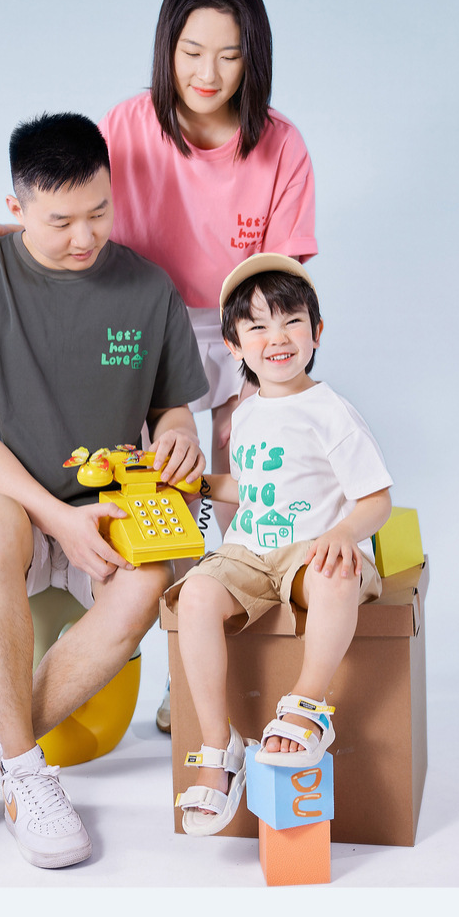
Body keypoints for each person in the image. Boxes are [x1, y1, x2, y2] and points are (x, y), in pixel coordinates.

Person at [0, 112, 208, 868]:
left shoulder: (147, 287)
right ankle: (32, 776)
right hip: (11, 499)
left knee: (148, 577)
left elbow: (172, 409)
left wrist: (180, 434)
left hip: (106, 505)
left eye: (99, 212)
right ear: (15, 208)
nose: (85, 236)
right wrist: (55, 518)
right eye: (60, 222)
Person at [0, 0, 317, 537]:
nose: (208, 74)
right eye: (191, 52)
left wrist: (258, 376)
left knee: (242, 450)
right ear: (167, 48)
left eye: (229, 56)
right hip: (139, 318)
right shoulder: (125, 126)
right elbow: (77, 204)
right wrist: (15, 229)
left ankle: (244, 563)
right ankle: (163, 576)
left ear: (254, 58)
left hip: (240, 321)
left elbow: (280, 281)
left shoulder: (282, 145)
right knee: (150, 475)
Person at [166, 253, 392, 836]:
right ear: (234, 346)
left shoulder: (330, 411)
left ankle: (307, 704)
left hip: (312, 549)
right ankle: (218, 744)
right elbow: (253, 488)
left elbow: (376, 500)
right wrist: (201, 485)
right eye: (258, 326)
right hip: (250, 552)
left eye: (292, 321)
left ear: (317, 332)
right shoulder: (245, 413)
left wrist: (343, 534)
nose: (278, 337)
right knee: (195, 595)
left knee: (336, 573)